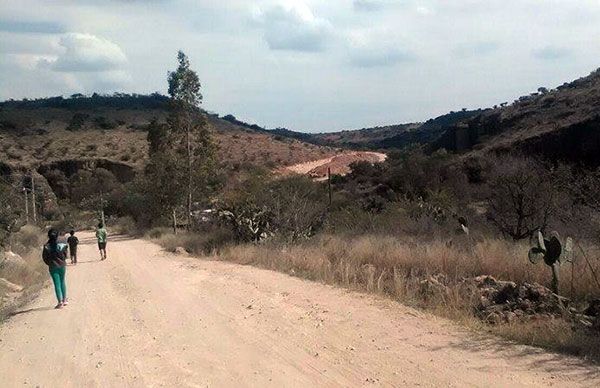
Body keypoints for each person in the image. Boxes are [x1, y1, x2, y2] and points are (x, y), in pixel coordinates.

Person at [42, 228, 68, 309]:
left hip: (53, 266)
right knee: (62, 281)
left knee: (57, 284)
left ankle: (60, 302)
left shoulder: (46, 246)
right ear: (57, 235)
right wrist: (62, 260)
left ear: (48, 236)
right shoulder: (62, 244)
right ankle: (65, 300)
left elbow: (44, 258)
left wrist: (50, 263)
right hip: (62, 265)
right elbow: (66, 255)